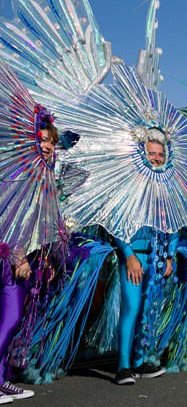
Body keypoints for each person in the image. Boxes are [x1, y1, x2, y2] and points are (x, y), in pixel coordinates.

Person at [0, 107, 59, 401]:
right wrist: (18, 256)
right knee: (10, 318)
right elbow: (9, 219)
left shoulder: (42, 179)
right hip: (8, 258)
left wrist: (44, 257)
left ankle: (1, 378)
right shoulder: (17, 174)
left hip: (25, 257)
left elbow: (40, 224)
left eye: (52, 141)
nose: (48, 145)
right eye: (42, 139)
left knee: (12, 319)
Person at [114, 134, 175, 385]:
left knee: (149, 312)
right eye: (152, 153)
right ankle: (123, 367)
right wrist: (128, 256)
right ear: (141, 154)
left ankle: (139, 363)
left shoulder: (166, 190)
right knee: (131, 309)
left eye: (160, 154)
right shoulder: (129, 187)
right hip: (135, 258)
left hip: (158, 258)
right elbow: (116, 225)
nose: (157, 158)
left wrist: (170, 255)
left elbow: (173, 225)